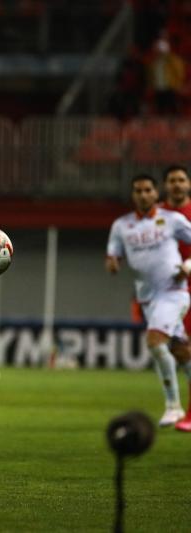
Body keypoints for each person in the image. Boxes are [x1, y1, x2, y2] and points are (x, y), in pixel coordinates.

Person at [106, 174, 191, 428]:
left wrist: (187, 265)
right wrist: (112, 263)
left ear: (156, 193)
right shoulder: (121, 226)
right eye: (138, 191)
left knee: (154, 342)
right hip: (147, 299)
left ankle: (173, 407)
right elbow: (113, 257)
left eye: (147, 190)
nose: (143, 195)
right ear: (133, 195)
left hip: (174, 292)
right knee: (181, 351)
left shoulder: (173, 220)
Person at [159, 165, 191, 432]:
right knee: (174, 349)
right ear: (166, 185)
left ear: (188, 184)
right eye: (172, 181)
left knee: (183, 350)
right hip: (164, 292)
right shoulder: (158, 214)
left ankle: (185, 412)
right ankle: (176, 407)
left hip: (187, 290)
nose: (177, 185)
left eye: (181, 180)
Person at [148, 37, 185, 115]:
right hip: (159, 86)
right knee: (160, 106)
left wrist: (178, 84)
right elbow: (151, 75)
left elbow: (178, 72)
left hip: (170, 86)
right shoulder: (155, 62)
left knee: (172, 105)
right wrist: (151, 84)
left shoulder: (172, 60)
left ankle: (174, 121)